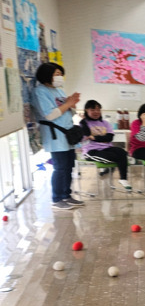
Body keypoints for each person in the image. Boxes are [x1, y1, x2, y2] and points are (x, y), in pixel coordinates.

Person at [34, 62, 83, 210]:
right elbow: (49, 114)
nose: (60, 77)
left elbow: (66, 110)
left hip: (68, 134)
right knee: (60, 167)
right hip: (55, 135)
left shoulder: (59, 90)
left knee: (69, 166)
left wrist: (72, 105)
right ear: (46, 75)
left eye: (61, 74)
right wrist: (68, 104)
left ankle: (66, 195)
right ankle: (57, 198)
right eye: (56, 74)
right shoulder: (40, 92)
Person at [79, 99, 132, 192]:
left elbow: (109, 138)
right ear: (86, 110)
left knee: (122, 152)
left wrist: (94, 138)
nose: (96, 112)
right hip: (91, 151)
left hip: (106, 148)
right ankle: (111, 168)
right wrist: (83, 120)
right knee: (115, 157)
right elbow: (87, 134)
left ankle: (123, 179)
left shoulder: (105, 123)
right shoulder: (83, 124)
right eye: (93, 110)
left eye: (98, 110)